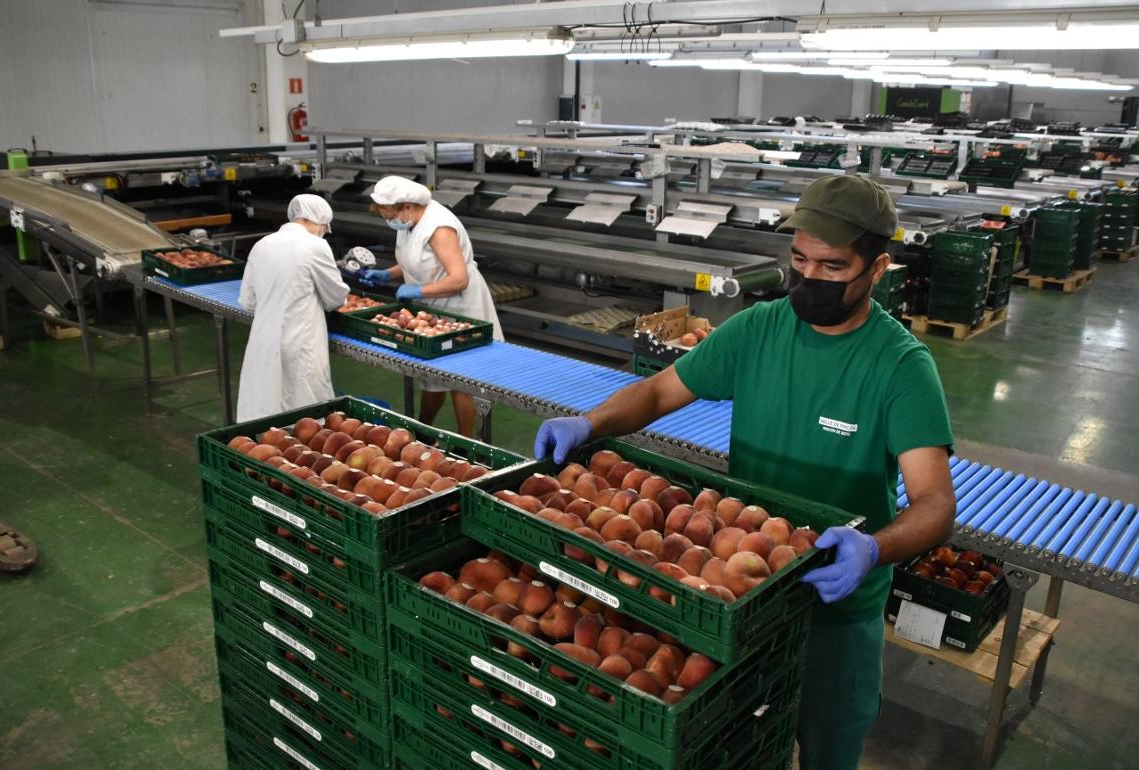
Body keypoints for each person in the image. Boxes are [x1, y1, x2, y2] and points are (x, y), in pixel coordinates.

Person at [533, 175, 957, 770]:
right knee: (739, 745)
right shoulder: (758, 330)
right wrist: (591, 422)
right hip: (742, 595)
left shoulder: (901, 367)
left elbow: (935, 502)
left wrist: (872, 547)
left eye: (833, 267)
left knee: (828, 749)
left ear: (878, 268)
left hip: (833, 609)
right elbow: (660, 393)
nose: (810, 279)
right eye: (800, 259)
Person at [363, 175, 503, 437]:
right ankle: (423, 431)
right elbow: (417, 262)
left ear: (407, 206)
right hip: (433, 306)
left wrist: (417, 290)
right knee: (432, 379)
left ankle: (467, 445)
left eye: (389, 214)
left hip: (462, 308)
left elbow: (458, 278)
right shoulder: (409, 223)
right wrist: (389, 274)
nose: (388, 220)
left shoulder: (439, 227)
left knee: (462, 382)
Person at [237, 194, 350, 422]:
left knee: (265, 410)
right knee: (306, 416)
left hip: (263, 340)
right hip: (301, 341)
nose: (324, 232)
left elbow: (248, 301)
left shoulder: (261, 245)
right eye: (324, 227)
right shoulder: (316, 246)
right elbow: (335, 298)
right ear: (318, 220)